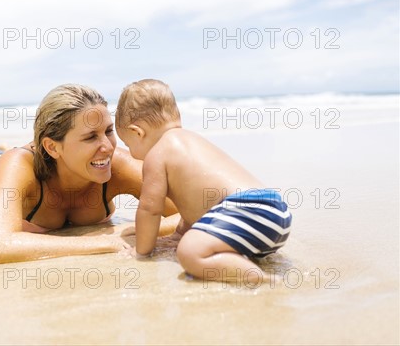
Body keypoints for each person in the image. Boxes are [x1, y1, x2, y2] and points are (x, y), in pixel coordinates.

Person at [0, 84, 178, 264]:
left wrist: (128, 230)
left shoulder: (114, 163)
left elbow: (188, 213)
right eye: (90, 137)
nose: (107, 146)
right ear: (52, 147)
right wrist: (105, 241)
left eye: (108, 131)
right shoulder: (19, 165)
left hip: (47, 162)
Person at [115, 79, 291, 284]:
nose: (131, 152)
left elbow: (149, 209)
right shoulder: (191, 141)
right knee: (192, 241)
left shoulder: (157, 154)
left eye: (128, 144)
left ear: (138, 132)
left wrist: (142, 251)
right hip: (273, 213)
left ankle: (261, 279)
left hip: (245, 211)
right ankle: (236, 259)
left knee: (189, 253)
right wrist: (180, 233)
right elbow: (196, 203)